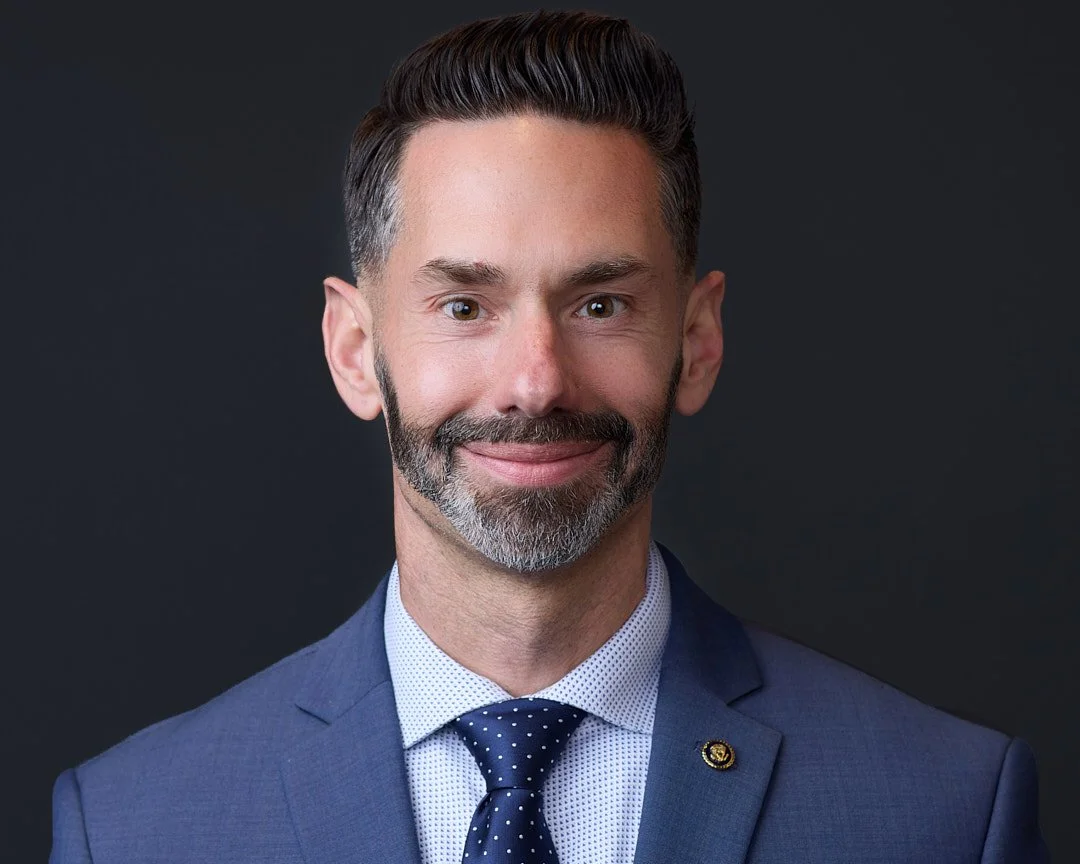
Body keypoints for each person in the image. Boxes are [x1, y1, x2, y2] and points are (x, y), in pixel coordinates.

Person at [49, 10, 1048, 863]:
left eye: (602, 304)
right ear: (356, 350)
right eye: (464, 306)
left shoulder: (944, 811)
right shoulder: (134, 827)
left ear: (696, 344)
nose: (537, 381)